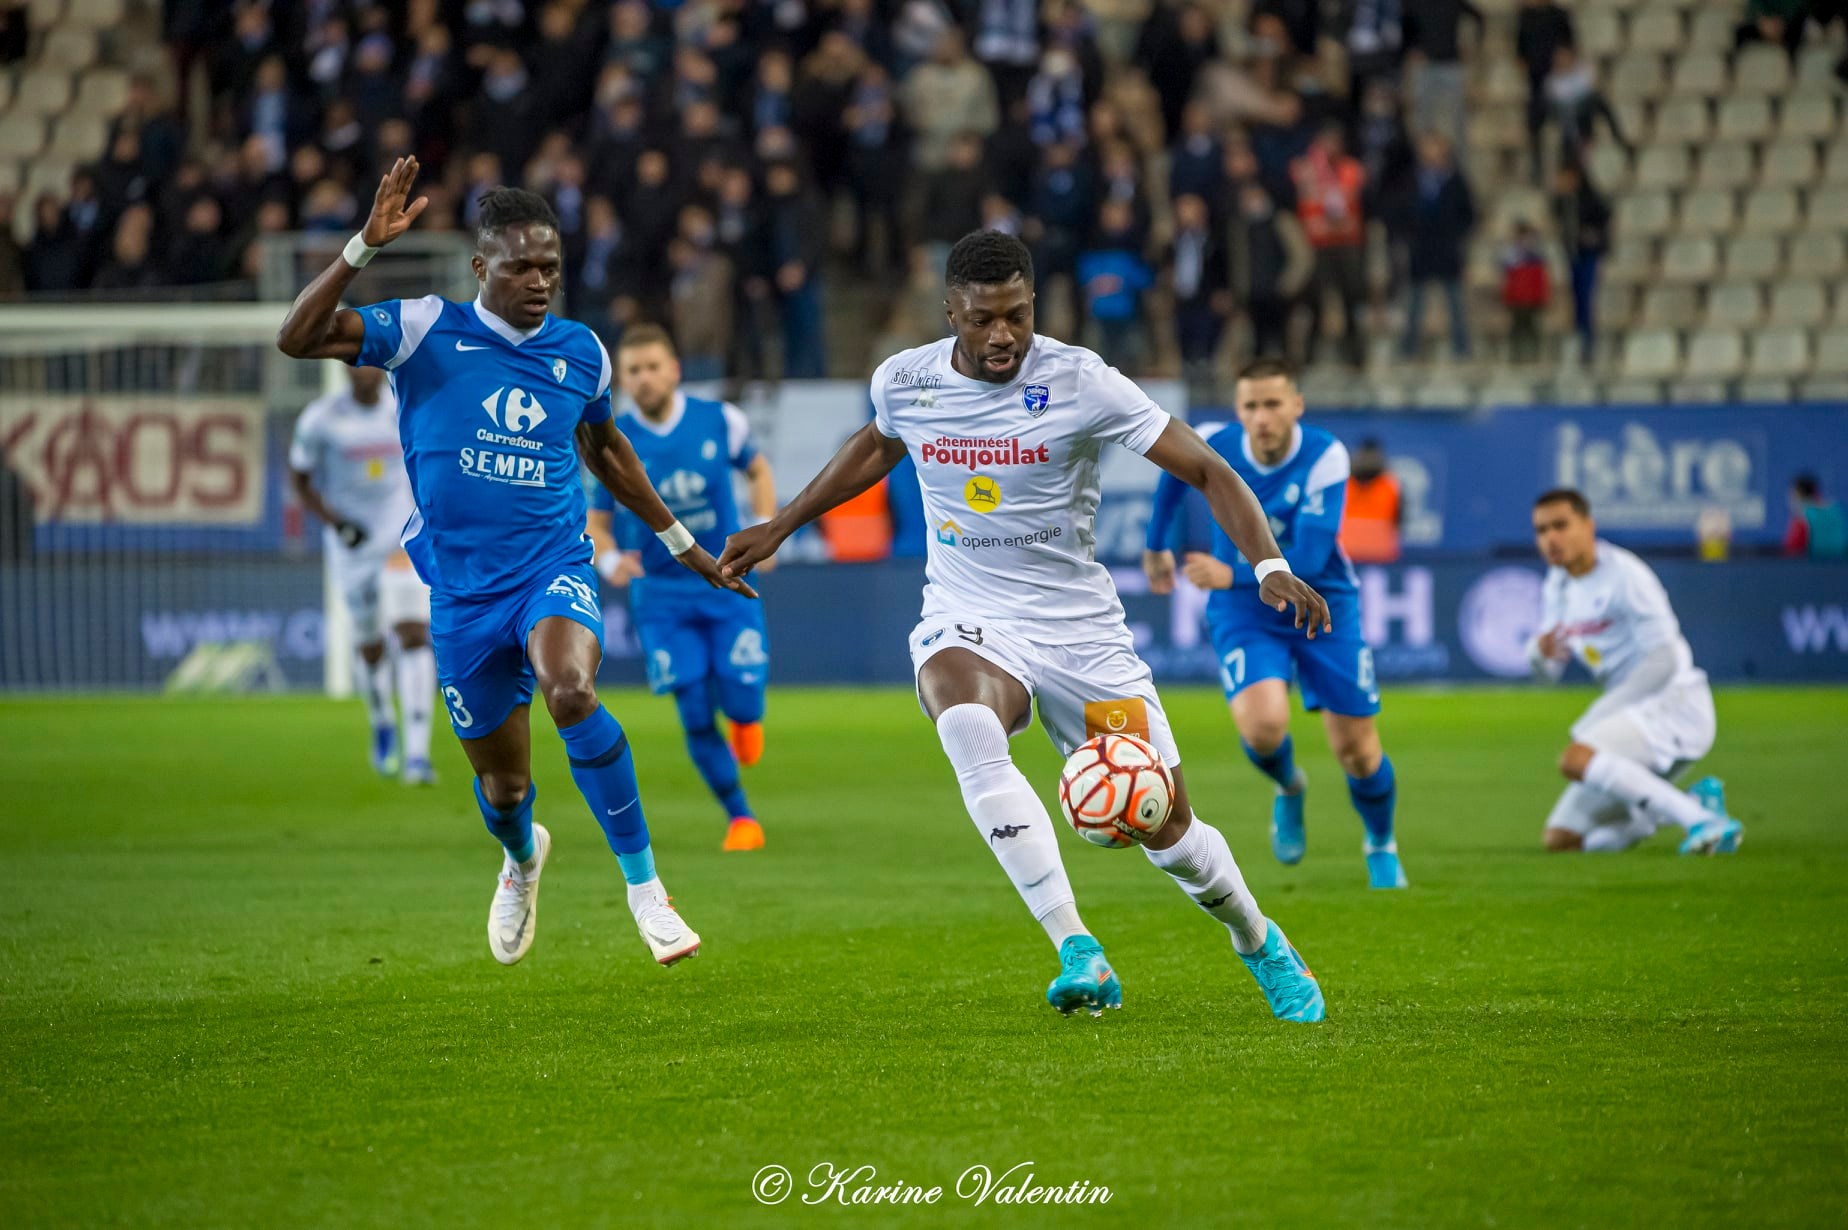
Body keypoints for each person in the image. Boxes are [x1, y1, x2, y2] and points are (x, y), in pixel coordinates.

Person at [720, 231, 1332, 1022]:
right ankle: (1077, 948)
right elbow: (878, 446)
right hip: (968, 614)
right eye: (982, 320)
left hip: (1081, 632)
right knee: (967, 720)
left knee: (1168, 827)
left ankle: (1258, 940)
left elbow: (1209, 468)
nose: (1003, 334)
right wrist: (783, 523)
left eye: (1017, 315)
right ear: (951, 314)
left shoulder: (1081, 380)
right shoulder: (904, 380)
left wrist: (1267, 565)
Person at [276, 159, 755, 968]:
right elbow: (297, 338)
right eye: (521, 268)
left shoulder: (582, 352)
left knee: (571, 690)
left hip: (552, 569)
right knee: (504, 792)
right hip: (463, 595)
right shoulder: (425, 329)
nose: (539, 283)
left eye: (551, 268)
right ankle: (521, 855)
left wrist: (686, 548)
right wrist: (362, 246)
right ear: (480, 268)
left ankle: (647, 892)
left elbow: (608, 451)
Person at [1144, 362, 1408, 890]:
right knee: (1263, 729)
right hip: (1246, 611)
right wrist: (1156, 545)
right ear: (1238, 410)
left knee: (1357, 750)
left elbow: (1308, 556)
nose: (1261, 418)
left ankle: (1381, 843)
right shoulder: (1217, 441)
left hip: (1321, 602)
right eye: (1251, 407)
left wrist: (1230, 570)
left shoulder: (1326, 455)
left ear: (1296, 406)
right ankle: (1289, 786)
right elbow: (1175, 481)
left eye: (1272, 405)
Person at [585, 324, 777, 852]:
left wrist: (766, 523)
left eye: (652, 367)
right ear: (620, 381)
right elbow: (595, 521)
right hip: (661, 598)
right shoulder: (612, 443)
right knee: (693, 709)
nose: (644, 380)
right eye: (633, 372)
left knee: (742, 701)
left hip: (729, 582)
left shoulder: (721, 420)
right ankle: (741, 817)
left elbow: (758, 471)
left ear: (673, 370)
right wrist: (606, 560)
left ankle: (744, 718)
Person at [1527, 490, 1742, 855]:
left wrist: (1601, 713)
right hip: (1631, 714)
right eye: (1542, 530)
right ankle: (1683, 808)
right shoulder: (1558, 584)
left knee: (1576, 758)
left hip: (1674, 705)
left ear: (1589, 526)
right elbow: (1549, 671)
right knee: (1562, 839)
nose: (1551, 538)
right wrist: (1537, 653)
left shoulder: (1626, 576)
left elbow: (1665, 660)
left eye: (1561, 526)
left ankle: (1705, 823)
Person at [288, 365, 437, 785]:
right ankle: (382, 720)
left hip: (399, 540)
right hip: (352, 544)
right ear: (345, 368)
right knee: (370, 644)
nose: (365, 371)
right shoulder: (320, 419)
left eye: (372, 362)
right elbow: (299, 480)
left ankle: (418, 756)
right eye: (356, 363)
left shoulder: (403, 404)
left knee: (413, 634)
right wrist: (335, 523)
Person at [1399, 133, 1475, 361]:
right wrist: (1408, 234)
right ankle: (1408, 348)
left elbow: (1468, 213)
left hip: (1446, 247)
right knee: (1415, 301)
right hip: (1420, 247)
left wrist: (1457, 235)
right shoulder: (1412, 179)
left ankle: (1462, 348)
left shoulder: (1455, 180)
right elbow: (1401, 210)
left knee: (1454, 301)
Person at [1341, 437, 1402, 564]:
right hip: (1347, 555)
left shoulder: (1390, 486)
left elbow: (1399, 521)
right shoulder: (1344, 483)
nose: (1368, 460)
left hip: (1381, 557)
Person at [1499, 220, 1550, 363]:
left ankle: (1535, 356)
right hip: (1516, 298)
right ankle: (1515, 357)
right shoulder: (1511, 254)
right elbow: (1506, 268)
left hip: (1533, 298)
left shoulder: (1537, 256)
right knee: (1517, 327)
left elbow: (1541, 279)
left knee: (1532, 327)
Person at [1784, 474, 1848, 559]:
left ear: (1797, 494)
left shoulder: (1801, 519)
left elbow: (1792, 550)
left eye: (1791, 495)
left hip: (1816, 569)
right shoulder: (1838, 510)